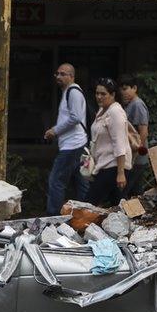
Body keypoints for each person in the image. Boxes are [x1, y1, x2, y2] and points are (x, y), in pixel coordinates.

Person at [44, 63, 89, 215]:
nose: (58, 76)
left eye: (63, 74)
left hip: (72, 145)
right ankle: (85, 215)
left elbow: (75, 117)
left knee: (56, 181)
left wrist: (54, 131)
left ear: (72, 76)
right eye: (57, 74)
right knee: (81, 183)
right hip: (75, 145)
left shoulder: (73, 92)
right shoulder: (68, 92)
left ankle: (53, 218)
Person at [83, 78, 132, 206]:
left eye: (103, 94)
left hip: (113, 166)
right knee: (117, 207)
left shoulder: (115, 112)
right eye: (97, 93)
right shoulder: (102, 110)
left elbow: (119, 143)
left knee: (89, 204)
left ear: (113, 95)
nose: (99, 97)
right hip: (102, 164)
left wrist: (120, 173)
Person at [118, 74, 150, 199]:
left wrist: (137, 150)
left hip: (136, 157)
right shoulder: (129, 104)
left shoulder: (137, 105)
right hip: (133, 155)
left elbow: (144, 131)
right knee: (135, 193)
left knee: (124, 192)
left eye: (125, 89)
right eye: (121, 90)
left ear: (134, 88)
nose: (123, 92)